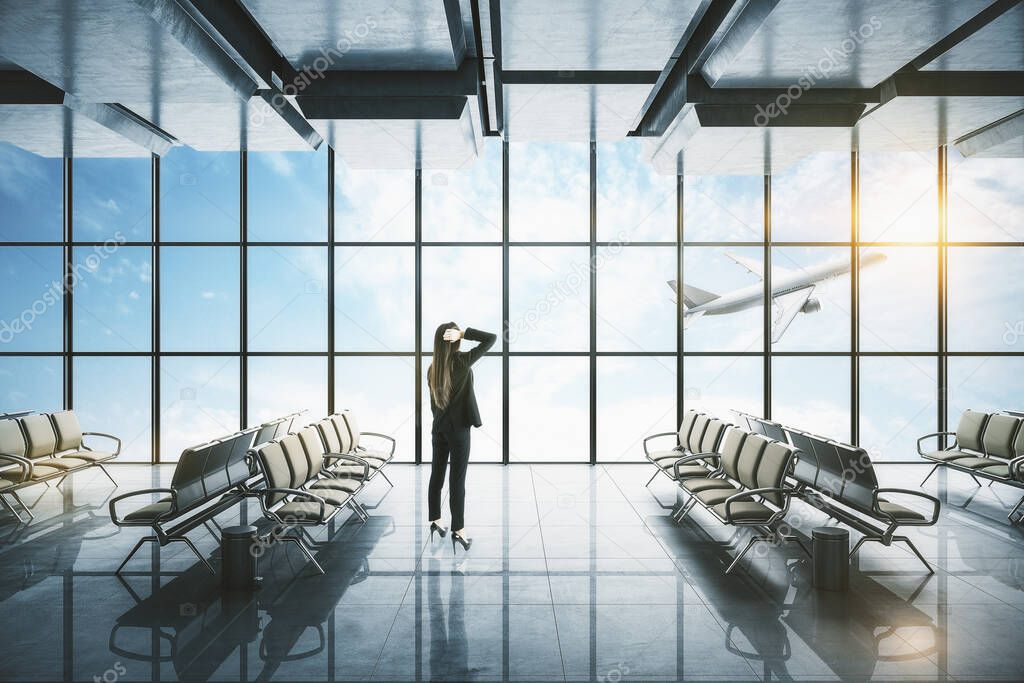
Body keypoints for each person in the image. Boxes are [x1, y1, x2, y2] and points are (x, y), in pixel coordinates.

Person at [426, 322, 496, 553]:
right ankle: (459, 531)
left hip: (439, 429)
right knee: (457, 481)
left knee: (437, 475)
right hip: (459, 431)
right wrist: (465, 333)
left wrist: (440, 424)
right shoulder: (463, 362)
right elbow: (491, 338)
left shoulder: (432, 368)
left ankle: (435, 520)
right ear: (455, 340)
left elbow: (435, 405)